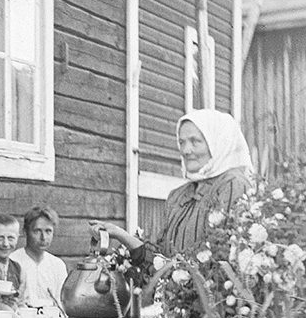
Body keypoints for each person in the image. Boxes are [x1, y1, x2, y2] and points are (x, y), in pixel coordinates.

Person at [89, 108, 254, 266]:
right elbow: (160, 259)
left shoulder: (233, 185)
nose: (186, 150)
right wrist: (120, 234)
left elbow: (225, 256)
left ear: (217, 143)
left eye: (195, 141)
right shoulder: (178, 195)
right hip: (176, 293)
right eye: (182, 142)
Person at [12, 206, 68, 306]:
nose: (43, 237)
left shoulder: (57, 265)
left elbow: (62, 301)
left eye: (48, 231)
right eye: (37, 231)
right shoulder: (14, 261)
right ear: (25, 232)